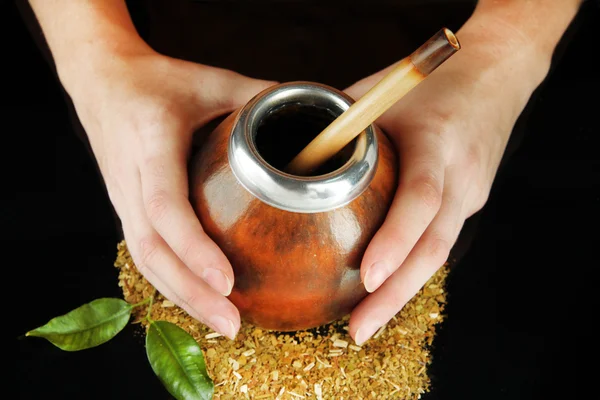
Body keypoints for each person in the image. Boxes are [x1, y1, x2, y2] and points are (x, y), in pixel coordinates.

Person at [24, 0, 583, 344]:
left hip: (451, 109)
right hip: (163, 75)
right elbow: (95, 52)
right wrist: (97, 53)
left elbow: (512, 39)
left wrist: (510, 43)